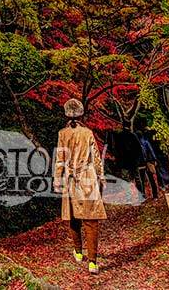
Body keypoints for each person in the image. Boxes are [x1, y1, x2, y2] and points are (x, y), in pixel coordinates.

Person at [53, 98, 106, 275]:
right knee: (91, 220)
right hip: (87, 178)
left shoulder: (62, 134)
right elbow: (96, 157)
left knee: (73, 217)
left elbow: (60, 158)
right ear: (81, 113)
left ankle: (77, 252)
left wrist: (57, 180)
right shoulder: (88, 133)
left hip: (70, 179)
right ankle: (92, 262)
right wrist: (100, 176)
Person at [138, 131, 160, 199]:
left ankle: (142, 196)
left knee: (141, 180)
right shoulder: (146, 142)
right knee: (151, 179)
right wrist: (154, 160)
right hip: (148, 163)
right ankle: (155, 195)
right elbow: (151, 151)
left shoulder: (135, 144)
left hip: (140, 164)